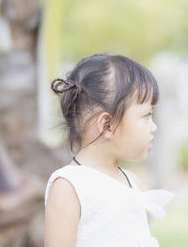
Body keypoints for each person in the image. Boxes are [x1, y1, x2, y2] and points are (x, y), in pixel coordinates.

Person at [44, 54, 174, 247]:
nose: (153, 127)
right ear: (107, 125)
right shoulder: (69, 187)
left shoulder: (130, 181)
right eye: (146, 116)